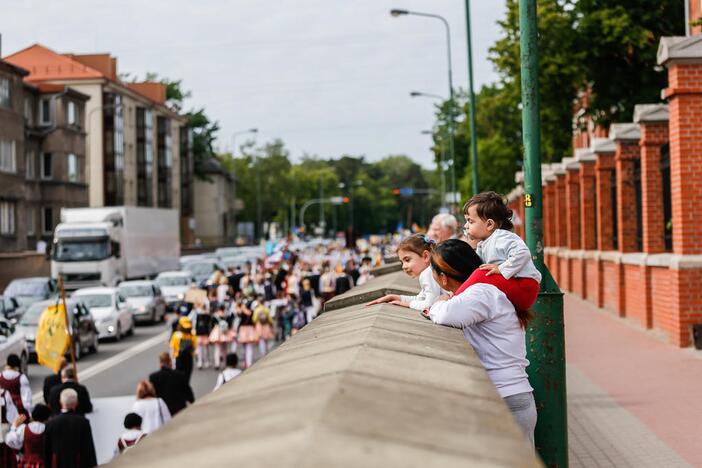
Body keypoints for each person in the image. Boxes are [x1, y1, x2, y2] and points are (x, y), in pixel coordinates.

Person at [426, 239, 537, 445]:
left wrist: (436, 303)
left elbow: (445, 315)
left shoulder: (480, 293)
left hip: (505, 396)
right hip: (514, 393)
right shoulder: (485, 290)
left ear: (442, 278)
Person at [461, 192, 542, 312]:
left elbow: (522, 253)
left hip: (524, 285)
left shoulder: (502, 237)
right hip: (514, 284)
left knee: (481, 274)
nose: (465, 226)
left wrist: (501, 269)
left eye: (470, 221)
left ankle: (456, 300)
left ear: (489, 224)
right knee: (480, 273)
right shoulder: (483, 243)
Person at [367, 234, 441, 310]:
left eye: (407, 260)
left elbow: (429, 305)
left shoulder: (428, 274)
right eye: (402, 262)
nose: (403, 267)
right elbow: (421, 298)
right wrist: (398, 298)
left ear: (425, 256)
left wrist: (408, 304)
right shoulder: (430, 271)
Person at [43, 388, 97, 468]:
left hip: (58, 463)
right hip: (78, 463)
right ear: (76, 403)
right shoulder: (83, 422)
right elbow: (89, 448)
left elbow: (46, 450)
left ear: (61, 402)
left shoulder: (51, 423)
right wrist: (93, 464)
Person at [5, 403, 51, 468]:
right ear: (46, 419)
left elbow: (9, 440)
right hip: (45, 464)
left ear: (32, 417)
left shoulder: (23, 428)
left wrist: (14, 426)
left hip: (28, 464)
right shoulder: (49, 429)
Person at [149, 352, 194, 416]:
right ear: (170, 362)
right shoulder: (179, 375)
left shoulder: (153, 377)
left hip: (162, 411)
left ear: (160, 363)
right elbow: (188, 392)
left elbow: (152, 395)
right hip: (179, 409)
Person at [0, 354, 32, 419]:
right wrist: (29, 414)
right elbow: (26, 399)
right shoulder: (21, 378)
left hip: (3, 413)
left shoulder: (1, 376)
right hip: (19, 413)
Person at [169, 317, 196, 382]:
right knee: (186, 379)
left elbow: (172, 348)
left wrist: (171, 360)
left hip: (179, 359)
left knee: (178, 379)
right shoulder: (192, 335)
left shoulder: (176, 335)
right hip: (187, 359)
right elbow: (194, 348)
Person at [191, 301, 214, 369]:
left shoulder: (196, 311)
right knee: (204, 347)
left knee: (201, 347)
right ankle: (204, 361)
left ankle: (202, 362)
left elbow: (189, 318)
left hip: (200, 332)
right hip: (203, 332)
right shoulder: (201, 311)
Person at [236, 300, 259, 369]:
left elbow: (238, 315)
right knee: (249, 347)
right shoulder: (252, 312)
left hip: (243, 329)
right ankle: (249, 363)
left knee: (244, 347)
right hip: (250, 330)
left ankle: (245, 362)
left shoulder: (242, 311)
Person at [209, 305, 232, 370]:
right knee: (225, 349)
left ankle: (217, 364)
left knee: (217, 349)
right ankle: (225, 363)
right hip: (225, 332)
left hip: (217, 332)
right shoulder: (226, 315)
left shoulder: (215, 316)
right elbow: (229, 324)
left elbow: (212, 324)